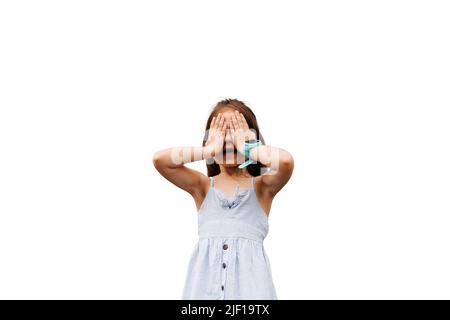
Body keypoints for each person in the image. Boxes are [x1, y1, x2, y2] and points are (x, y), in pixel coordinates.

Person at [153, 98, 294, 299]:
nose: (229, 141)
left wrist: (248, 147)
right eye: (222, 134)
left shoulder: (263, 188)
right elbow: (160, 160)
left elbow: (286, 162)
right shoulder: (202, 187)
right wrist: (206, 151)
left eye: (236, 132)